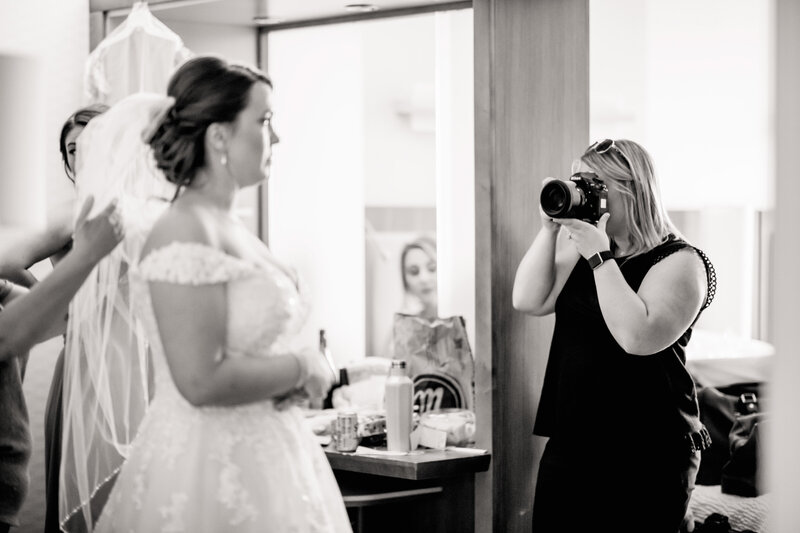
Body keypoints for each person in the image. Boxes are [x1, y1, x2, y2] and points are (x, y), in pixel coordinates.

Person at [78, 56, 351, 532]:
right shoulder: (183, 228)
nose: (277, 137)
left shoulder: (232, 227)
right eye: (264, 121)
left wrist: (284, 381)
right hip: (204, 460)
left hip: (270, 450)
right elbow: (199, 380)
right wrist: (302, 366)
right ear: (219, 135)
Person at [512, 139, 716, 533]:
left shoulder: (681, 262)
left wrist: (601, 258)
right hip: (573, 441)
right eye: (579, 183)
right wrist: (548, 231)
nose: (583, 193)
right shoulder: (582, 250)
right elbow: (528, 299)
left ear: (632, 189)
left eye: (595, 184)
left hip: (648, 450)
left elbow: (636, 337)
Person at [0, 196, 123, 533]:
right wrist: (85, 256)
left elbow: (38, 319)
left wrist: (86, 313)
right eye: (73, 151)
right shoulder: (74, 215)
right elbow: (7, 336)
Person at [43, 103, 109, 533]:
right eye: (72, 150)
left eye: (92, 145)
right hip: (84, 368)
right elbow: (6, 260)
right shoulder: (72, 214)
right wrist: (62, 308)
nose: (81, 157)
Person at [399, 236, 438, 319]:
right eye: (414, 272)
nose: (424, 279)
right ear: (406, 283)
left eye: (432, 268)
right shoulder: (402, 325)